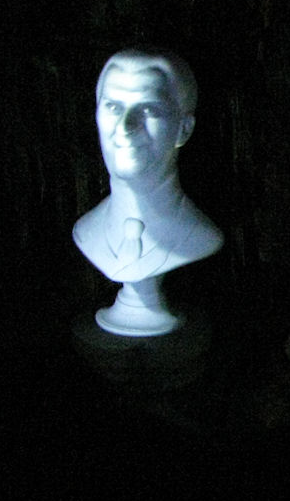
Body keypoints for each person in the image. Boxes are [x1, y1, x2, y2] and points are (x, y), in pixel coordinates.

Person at [73, 50, 222, 327]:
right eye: (113, 107)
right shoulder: (87, 230)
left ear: (184, 129)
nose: (125, 127)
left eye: (148, 110)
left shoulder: (200, 236)